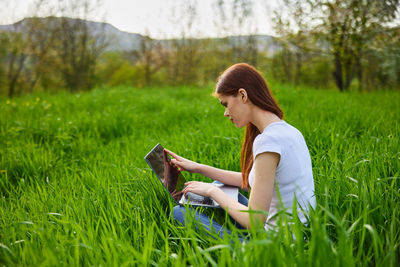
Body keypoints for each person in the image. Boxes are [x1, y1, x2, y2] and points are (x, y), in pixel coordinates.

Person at [165, 63, 316, 240]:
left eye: (226, 104)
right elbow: (252, 181)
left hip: (276, 247)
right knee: (220, 185)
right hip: (297, 236)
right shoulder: (287, 131)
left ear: (243, 95)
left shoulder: (268, 141)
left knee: (178, 213)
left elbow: (255, 220)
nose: (226, 113)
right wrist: (197, 167)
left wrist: (212, 192)